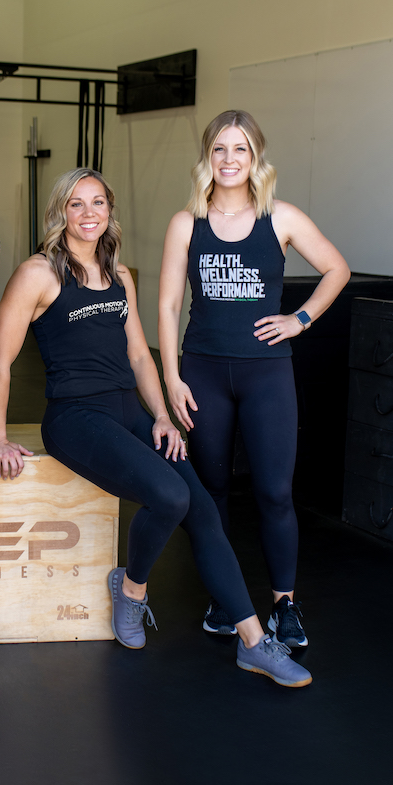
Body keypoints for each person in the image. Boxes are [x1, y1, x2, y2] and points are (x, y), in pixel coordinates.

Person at [0, 168, 311, 687]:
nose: (88, 213)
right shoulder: (39, 274)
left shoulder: (119, 275)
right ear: (59, 213)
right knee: (169, 495)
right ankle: (132, 589)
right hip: (74, 416)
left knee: (200, 505)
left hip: (128, 409)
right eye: (76, 204)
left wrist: (161, 413)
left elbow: (139, 354)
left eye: (98, 203)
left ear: (110, 211)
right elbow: (0, 361)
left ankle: (254, 643)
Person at [158, 110, 349, 647]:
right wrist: (170, 376)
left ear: (255, 157)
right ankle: (227, 600)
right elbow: (170, 304)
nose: (229, 159)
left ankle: (284, 605)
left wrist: (300, 319)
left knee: (273, 492)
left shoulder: (281, 218)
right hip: (203, 370)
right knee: (212, 490)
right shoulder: (185, 222)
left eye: (239, 149)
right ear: (207, 158)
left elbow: (337, 268)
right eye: (219, 149)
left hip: (267, 373)